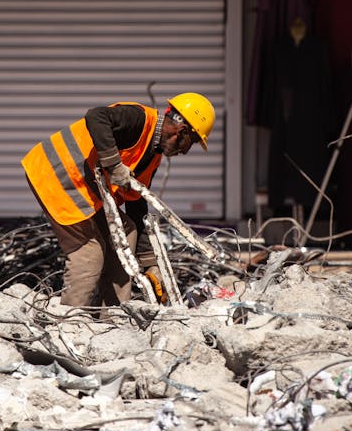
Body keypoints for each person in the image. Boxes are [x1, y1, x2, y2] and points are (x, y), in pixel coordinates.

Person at [22, 93, 215, 307]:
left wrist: (150, 263)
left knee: (127, 229)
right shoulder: (139, 120)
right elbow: (96, 116)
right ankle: (70, 320)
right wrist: (114, 165)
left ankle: (114, 313)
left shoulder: (153, 155)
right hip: (56, 176)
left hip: (82, 191)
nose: (186, 151)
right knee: (89, 254)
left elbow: (137, 205)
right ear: (182, 130)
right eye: (192, 142)